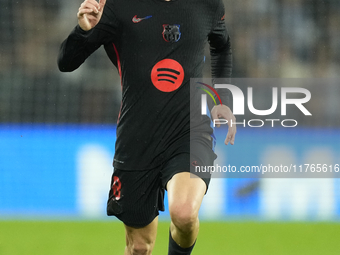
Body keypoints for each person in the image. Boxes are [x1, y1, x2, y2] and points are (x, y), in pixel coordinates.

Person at [58, 0, 236, 254]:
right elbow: (66, 62)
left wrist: (223, 99)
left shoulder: (207, 5)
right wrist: (83, 31)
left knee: (184, 214)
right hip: (137, 137)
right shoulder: (117, 6)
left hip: (189, 131)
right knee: (140, 247)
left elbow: (222, 45)